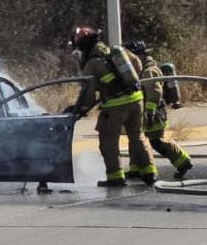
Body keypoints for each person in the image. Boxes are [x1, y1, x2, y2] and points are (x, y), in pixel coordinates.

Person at [65, 26, 158, 188]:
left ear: (83, 46)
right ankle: (149, 172)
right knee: (137, 136)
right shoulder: (116, 51)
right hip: (136, 99)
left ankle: (115, 177)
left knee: (108, 141)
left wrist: (79, 109)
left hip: (115, 105)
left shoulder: (91, 64)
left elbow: (88, 92)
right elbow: (137, 64)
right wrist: (127, 83)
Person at [127, 40, 194, 180]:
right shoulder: (141, 70)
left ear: (138, 56)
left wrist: (150, 112)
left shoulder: (149, 71)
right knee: (137, 140)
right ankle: (136, 169)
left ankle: (183, 162)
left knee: (157, 141)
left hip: (154, 114)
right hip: (145, 112)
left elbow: (155, 92)